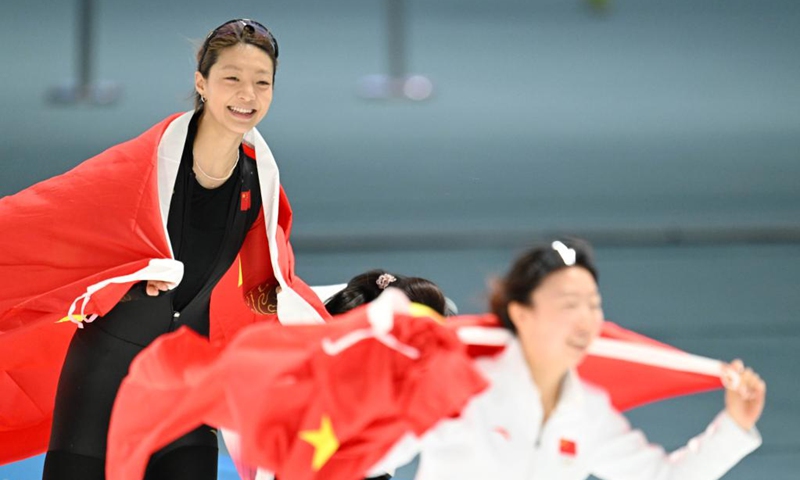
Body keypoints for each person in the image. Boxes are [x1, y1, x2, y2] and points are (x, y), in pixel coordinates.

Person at [0, 18, 329, 480]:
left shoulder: (260, 184)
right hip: (106, 374)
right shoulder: (137, 167)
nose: (247, 95)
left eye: (262, 82)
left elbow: (274, 288)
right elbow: (39, 221)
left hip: (184, 382)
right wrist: (125, 274)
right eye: (232, 78)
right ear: (202, 83)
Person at [412, 239, 766, 480]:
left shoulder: (588, 411)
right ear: (521, 314)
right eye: (569, 305)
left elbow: (663, 476)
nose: (586, 320)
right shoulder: (462, 386)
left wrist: (734, 425)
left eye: (594, 305)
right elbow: (382, 446)